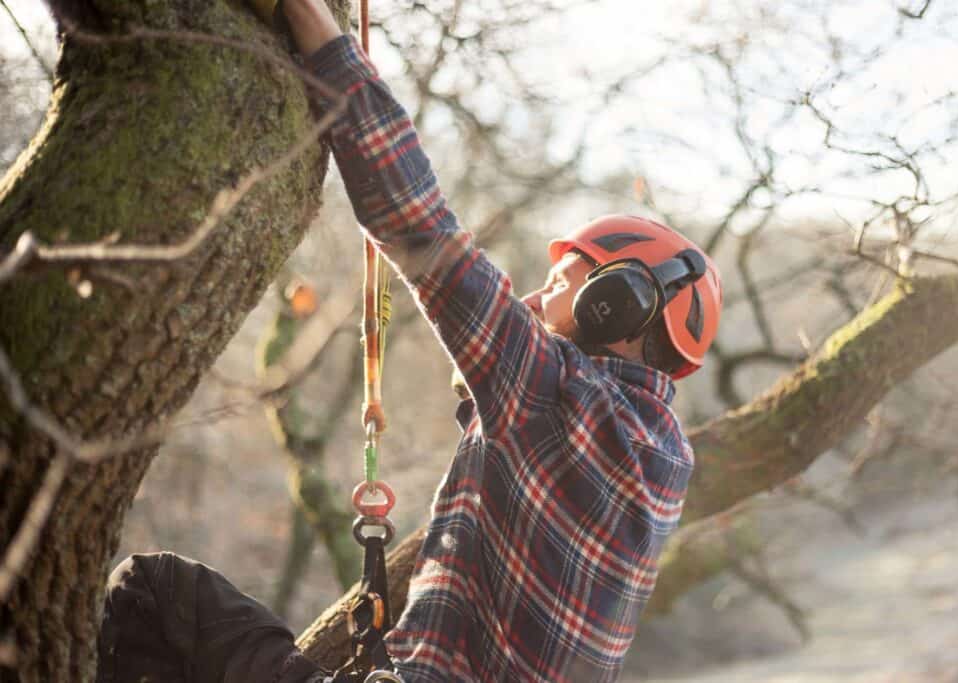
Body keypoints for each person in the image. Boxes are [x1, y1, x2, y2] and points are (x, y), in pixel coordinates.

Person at [97, 0, 724, 681]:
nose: (536, 300)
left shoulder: (554, 394)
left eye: (561, 284)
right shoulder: (662, 455)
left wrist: (309, 19)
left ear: (615, 309)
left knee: (151, 588)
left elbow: (415, 218)